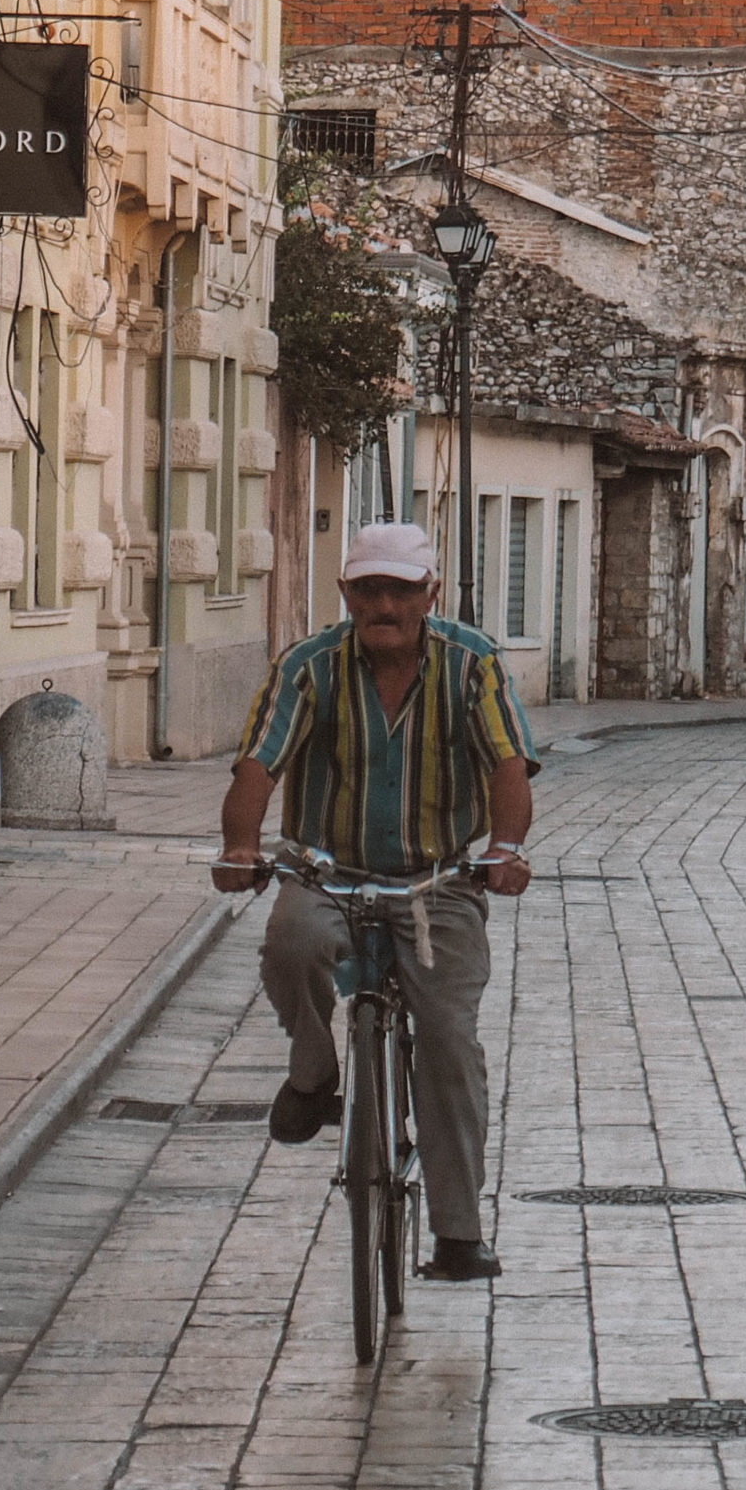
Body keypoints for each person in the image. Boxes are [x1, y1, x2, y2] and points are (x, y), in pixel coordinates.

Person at [212, 521, 537, 1283]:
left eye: (399, 589)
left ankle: (457, 1233)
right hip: (328, 872)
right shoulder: (310, 666)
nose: (383, 604)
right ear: (346, 594)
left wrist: (506, 851)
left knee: (451, 1042)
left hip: (439, 884)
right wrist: (239, 850)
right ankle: (313, 1069)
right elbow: (258, 766)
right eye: (368, 589)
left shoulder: (472, 663)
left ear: (431, 593)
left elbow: (508, 763)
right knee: (290, 942)